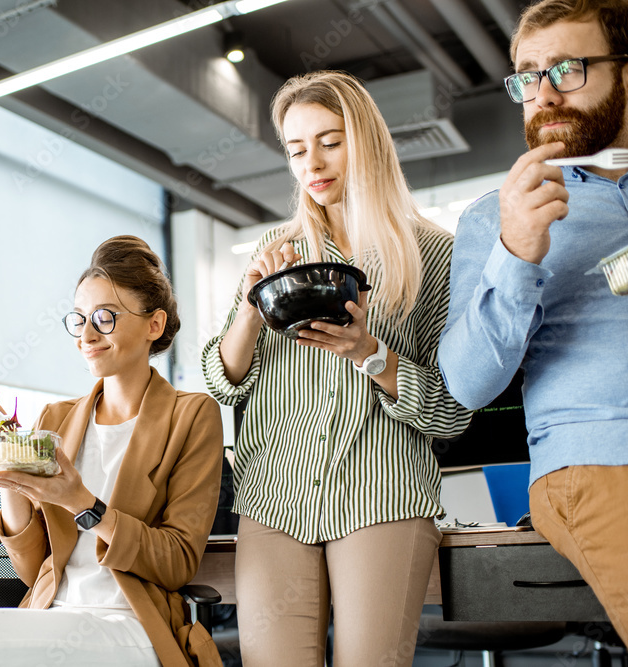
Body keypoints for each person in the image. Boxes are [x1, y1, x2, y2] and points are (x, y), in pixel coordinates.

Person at [200, 71, 472, 667]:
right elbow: (221, 378)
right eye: (297, 150)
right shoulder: (278, 250)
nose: (312, 163)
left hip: (383, 495)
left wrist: (367, 354)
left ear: (366, 142)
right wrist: (251, 306)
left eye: (330, 141)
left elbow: (451, 410)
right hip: (274, 499)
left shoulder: (434, 255)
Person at [0, 235, 224, 667]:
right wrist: (5, 471)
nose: (86, 335)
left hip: (129, 623)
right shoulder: (56, 418)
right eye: (78, 319)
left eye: (105, 318)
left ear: (154, 325)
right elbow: (34, 571)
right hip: (52, 614)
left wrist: (82, 503)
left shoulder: (192, 416)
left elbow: (177, 563)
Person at [439, 0, 628, 641]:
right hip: (605, 461)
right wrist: (516, 251)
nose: (541, 92)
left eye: (567, 68)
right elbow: (467, 384)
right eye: (527, 75)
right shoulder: (494, 217)